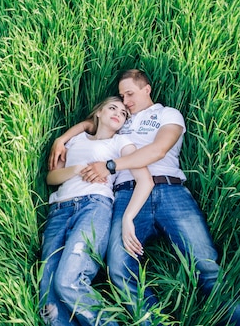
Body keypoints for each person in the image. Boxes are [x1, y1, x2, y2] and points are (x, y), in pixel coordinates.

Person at [48, 70, 240, 326]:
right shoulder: (120, 120)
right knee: (120, 271)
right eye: (122, 96)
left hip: (171, 192)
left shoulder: (168, 114)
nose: (125, 101)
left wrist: (110, 165)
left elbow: (158, 150)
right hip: (126, 194)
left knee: (207, 267)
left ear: (146, 89)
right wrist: (62, 138)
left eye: (130, 94)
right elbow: (92, 123)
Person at [39, 96, 154, 326]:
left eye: (123, 113)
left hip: (94, 206)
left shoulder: (121, 143)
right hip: (60, 209)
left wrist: (128, 218)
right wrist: (77, 169)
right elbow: (52, 178)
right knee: (48, 293)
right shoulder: (76, 140)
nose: (118, 113)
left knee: (69, 281)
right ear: (98, 113)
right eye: (112, 108)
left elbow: (145, 179)